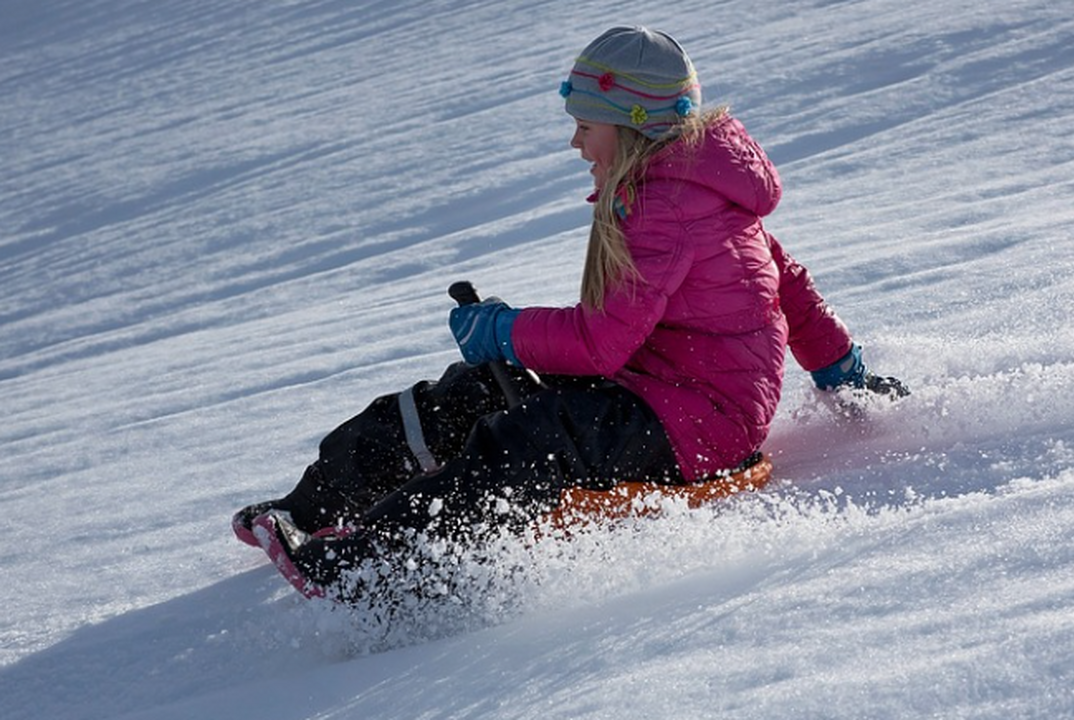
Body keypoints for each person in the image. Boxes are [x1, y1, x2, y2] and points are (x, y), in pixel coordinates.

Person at [235, 26, 905, 602]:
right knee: (472, 393)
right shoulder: (695, 190)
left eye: (586, 126)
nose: (577, 144)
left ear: (635, 126)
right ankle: (312, 508)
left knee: (531, 436)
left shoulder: (667, 208)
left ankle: (375, 567)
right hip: (658, 389)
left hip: (698, 422)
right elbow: (789, 285)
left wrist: (502, 330)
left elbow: (599, 345)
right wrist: (841, 368)